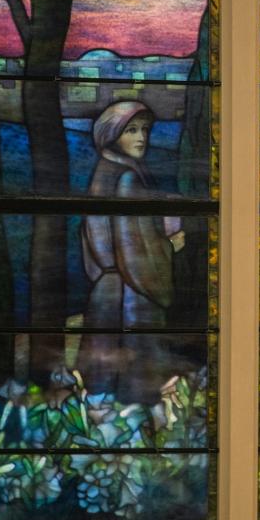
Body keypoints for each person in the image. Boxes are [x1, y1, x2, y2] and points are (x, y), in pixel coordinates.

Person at [78, 100, 186, 404]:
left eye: (145, 130)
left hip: (107, 289)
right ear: (113, 135)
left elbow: (92, 236)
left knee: (104, 373)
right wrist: (168, 245)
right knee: (136, 375)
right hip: (132, 292)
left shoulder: (103, 172)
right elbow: (134, 242)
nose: (141, 138)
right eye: (131, 130)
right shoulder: (127, 178)